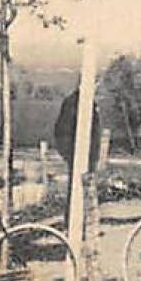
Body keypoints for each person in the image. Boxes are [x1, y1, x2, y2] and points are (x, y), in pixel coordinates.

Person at [52, 88, 102, 219]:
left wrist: (94, 155)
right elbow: (62, 132)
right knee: (76, 190)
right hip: (77, 156)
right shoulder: (73, 103)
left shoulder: (90, 102)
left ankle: (87, 223)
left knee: (87, 192)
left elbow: (95, 133)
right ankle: (73, 223)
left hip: (89, 156)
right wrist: (70, 155)